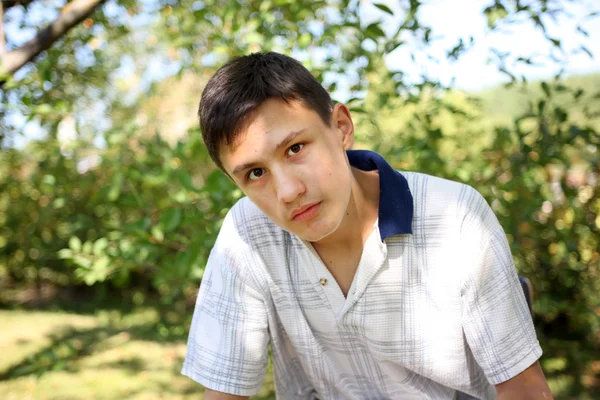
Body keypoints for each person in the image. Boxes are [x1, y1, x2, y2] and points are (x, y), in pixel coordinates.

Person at [181, 52, 552, 400]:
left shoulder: (454, 216)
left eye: (295, 148)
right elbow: (223, 391)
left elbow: (525, 390)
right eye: (256, 173)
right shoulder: (247, 233)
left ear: (341, 127)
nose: (289, 192)